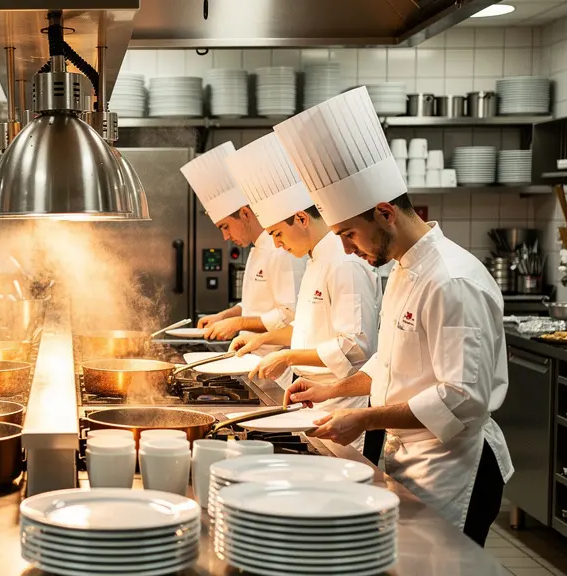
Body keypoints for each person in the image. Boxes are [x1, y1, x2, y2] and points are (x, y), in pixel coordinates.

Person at [273, 86, 513, 545]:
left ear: (384, 213)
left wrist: (364, 420)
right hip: (411, 459)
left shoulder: (452, 280)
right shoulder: (404, 268)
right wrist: (333, 389)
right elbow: (388, 368)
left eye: (348, 234)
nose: (344, 248)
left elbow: (462, 398)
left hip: (453, 469)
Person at [222, 132, 381, 452]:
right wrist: (266, 340)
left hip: (342, 406)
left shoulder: (343, 261)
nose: (277, 244)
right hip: (312, 399)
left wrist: (289, 355)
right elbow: (309, 331)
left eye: (279, 234)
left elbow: (355, 345)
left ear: (302, 218)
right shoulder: (316, 257)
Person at [179, 141, 306, 346]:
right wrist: (226, 316)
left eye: (225, 226)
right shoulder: (257, 249)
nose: (225, 237)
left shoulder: (282, 250)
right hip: (251, 358)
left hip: (274, 366)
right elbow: (254, 305)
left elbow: (289, 315)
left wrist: (238, 323)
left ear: (245, 214)